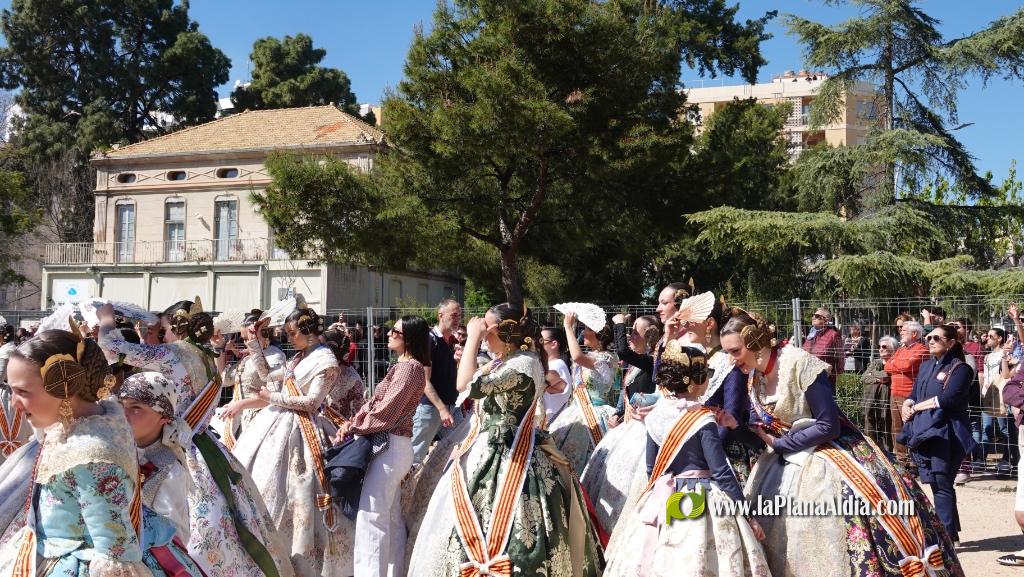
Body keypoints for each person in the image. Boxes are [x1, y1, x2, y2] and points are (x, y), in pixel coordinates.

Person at [726, 310, 963, 576]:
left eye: (734, 351)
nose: (731, 360)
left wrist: (781, 445)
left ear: (754, 342)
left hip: (830, 457)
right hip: (783, 463)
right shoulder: (752, 377)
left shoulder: (799, 362)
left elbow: (829, 425)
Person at [97, 299, 293, 577]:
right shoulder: (207, 359)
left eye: (164, 330)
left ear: (177, 328)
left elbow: (112, 348)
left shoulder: (172, 354)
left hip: (169, 451)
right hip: (206, 450)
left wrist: (105, 319)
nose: (162, 337)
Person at [408, 303, 603, 577]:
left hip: (512, 456)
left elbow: (464, 386)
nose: (484, 332)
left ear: (507, 332)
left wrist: (473, 338)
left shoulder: (523, 364)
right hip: (490, 449)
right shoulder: (507, 362)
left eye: (488, 328)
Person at [603, 341, 768, 577]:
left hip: (666, 496)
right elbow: (721, 472)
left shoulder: (656, 413)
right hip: (703, 499)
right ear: (694, 379)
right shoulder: (703, 419)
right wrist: (748, 516)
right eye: (705, 373)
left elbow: (652, 468)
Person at [0, 325, 153, 576]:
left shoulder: (92, 457)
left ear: (64, 388)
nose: (14, 403)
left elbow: (115, 551)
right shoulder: (98, 417)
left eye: (23, 392)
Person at [226, 306, 352, 577]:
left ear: (308, 331)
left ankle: (297, 557)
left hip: (304, 430)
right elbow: (269, 377)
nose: (289, 338)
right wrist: (253, 342)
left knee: (299, 490)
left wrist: (272, 399)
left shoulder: (325, 360)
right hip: (275, 424)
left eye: (293, 333)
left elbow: (311, 403)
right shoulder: (300, 357)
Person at [335, 315, 428, 577]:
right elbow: (377, 405)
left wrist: (354, 427)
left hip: (389, 445)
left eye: (394, 331)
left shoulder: (409, 369)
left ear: (407, 337)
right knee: (390, 516)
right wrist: (356, 422)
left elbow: (387, 411)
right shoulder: (404, 366)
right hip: (391, 444)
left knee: (372, 516)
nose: (388, 333)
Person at [118, 371, 209, 576]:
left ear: (164, 418)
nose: (124, 414)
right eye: (121, 406)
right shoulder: (117, 449)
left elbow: (174, 535)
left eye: (136, 408)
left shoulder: (167, 470)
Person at [581, 314, 661, 536]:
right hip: (628, 428)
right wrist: (618, 412)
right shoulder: (636, 365)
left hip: (644, 431)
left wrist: (618, 323)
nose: (630, 335)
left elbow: (623, 351)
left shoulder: (652, 362)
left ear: (651, 336)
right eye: (629, 330)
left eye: (635, 331)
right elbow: (626, 392)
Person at [899, 324, 978, 545]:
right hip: (926, 432)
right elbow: (914, 392)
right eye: (929, 337)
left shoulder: (961, 368)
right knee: (936, 484)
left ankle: (945, 538)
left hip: (948, 434)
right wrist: (908, 404)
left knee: (942, 483)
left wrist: (917, 407)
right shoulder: (925, 366)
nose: (930, 340)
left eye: (936, 338)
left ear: (951, 343)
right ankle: (950, 532)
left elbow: (949, 399)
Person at [548, 309, 619, 474]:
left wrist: (567, 326)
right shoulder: (593, 356)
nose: (583, 333)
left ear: (596, 333)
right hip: (578, 409)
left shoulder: (606, 358)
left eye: (586, 329)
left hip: (594, 414)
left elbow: (577, 357)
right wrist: (570, 329)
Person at [220, 309, 287, 445]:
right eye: (244, 339)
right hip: (240, 420)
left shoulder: (275, 356)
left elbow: (274, 396)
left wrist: (240, 404)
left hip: (261, 421)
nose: (246, 343)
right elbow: (226, 380)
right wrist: (219, 349)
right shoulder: (248, 358)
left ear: (264, 335)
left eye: (249, 338)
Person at [411, 299, 463, 465]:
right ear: (440, 316)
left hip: (449, 408)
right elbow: (424, 381)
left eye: (459, 316)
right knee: (415, 457)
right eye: (454, 315)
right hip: (430, 409)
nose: (458, 319)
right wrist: (441, 409)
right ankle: (404, 490)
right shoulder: (430, 340)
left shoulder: (450, 342)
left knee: (461, 448)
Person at [886, 319, 928, 468]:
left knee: (910, 427)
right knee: (896, 428)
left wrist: (896, 364)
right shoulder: (901, 349)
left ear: (915, 333)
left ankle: (914, 462)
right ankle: (901, 461)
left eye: (904, 331)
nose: (901, 333)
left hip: (909, 396)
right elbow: (887, 366)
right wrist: (898, 364)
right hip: (894, 393)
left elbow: (907, 365)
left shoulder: (922, 349)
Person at [981, 327, 1017, 475]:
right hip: (988, 394)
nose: (987, 338)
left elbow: (1008, 374)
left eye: (991, 336)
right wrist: (983, 390)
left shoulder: (1006, 354)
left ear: (999, 338)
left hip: (1001, 394)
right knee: (986, 428)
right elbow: (984, 375)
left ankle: (1008, 459)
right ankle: (980, 458)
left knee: (1005, 429)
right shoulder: (987, 356)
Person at [322, 327, 367, 422]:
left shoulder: (352, 379)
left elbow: (357, 417)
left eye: (321, 348)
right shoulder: (323, 371)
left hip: (342, 430)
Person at [0, 322, 29, 464]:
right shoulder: (13, 348)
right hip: (14, 391)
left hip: (6, 395)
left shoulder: (6, 351)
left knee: (9, 430)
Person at [861, 336, 896, 453]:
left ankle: (890, 456)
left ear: (893, 349)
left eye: (884, 347)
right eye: (879, 347)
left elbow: (887, 375)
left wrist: (874, 374)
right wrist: (877, 378)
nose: (880, 349)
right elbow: (864, 378)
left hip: (887, 403)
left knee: (888, 430)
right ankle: (872, 454)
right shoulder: (875, 363)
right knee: (870, 428)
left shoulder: (896, 363)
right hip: (871, 402)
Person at [801, 306, 843, 386]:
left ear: (826, 320)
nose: (813, 317)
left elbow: (840, 358)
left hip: (824, 379)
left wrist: (834, 376)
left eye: (817, 316)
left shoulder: (833, 335)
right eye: (813, 315)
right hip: (807, 377)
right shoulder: (811, 334)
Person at [540, 326, 574, 422]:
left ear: (554, 344)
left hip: (551, 423)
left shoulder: (556, 366)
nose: (537, 344)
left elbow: (537, 384)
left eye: (541, 341)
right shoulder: (551, 365)